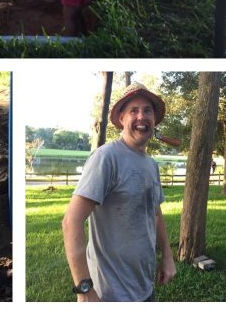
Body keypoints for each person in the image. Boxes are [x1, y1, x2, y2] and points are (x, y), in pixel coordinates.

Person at [62, 83, 176, 302]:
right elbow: (71, 222)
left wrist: (167, 257)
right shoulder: (107, 158)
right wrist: (85, 290)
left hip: (144, 287)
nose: (141, 116)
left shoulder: (151, 165)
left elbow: (155, 211)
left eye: (147, 110)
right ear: (122, 118)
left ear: (154, 120)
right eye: (133, 110)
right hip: (110, 294)